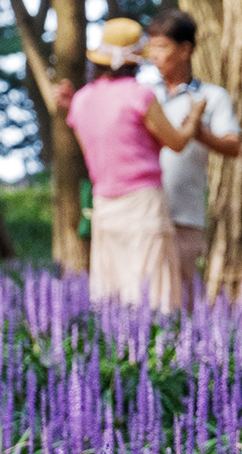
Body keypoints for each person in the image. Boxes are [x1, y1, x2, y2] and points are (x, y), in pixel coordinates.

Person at [55, 17, 203, 309]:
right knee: (154, 293)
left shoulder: (80, 101)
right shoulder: (139, 95)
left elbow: (93, 151)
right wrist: (194, 117)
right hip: (143, 205)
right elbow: (176, 142)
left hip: (104, 205)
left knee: (113, 292)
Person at [140, 9, 241, 299]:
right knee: (143, 296)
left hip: (185, 215)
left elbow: (234, 145)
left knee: (183, 297)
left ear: (186, 50)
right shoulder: (143, 94)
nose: (154, 56)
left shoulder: (211, 96)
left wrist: (199, 133)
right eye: (151, 47)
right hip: (143, 213)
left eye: (162, 47)